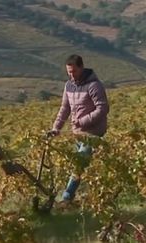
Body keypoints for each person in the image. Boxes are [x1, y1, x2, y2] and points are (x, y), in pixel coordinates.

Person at [49, 54, 109, 203]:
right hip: (77, 134)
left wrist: (82, 121)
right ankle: (92, 193)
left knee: (79, 165)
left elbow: (103, 108)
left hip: (93, 133)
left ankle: (66, 197)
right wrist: (56, 127)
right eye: (68, 72)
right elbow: (65, 108)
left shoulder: (94, 85)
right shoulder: (68, 85)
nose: (71, 75)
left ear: (81, 68)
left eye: (74, 71)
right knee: (81, 166)